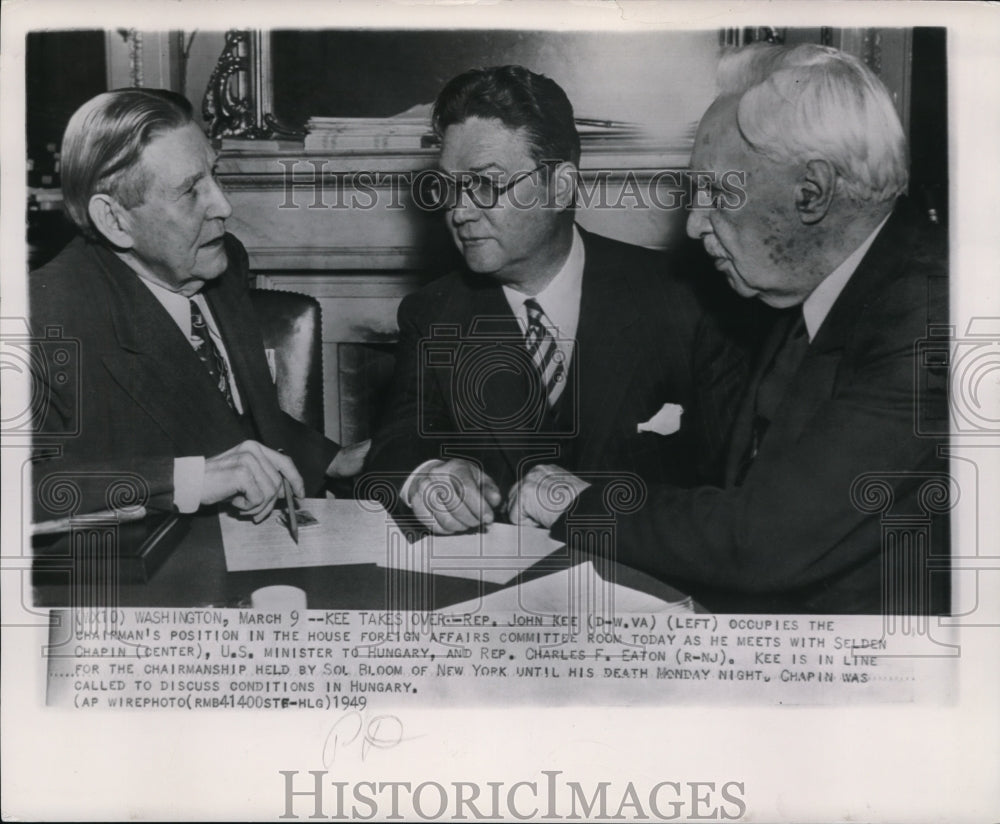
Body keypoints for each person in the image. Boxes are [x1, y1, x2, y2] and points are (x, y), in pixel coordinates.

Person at [506, 44, 950, 614]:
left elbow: (763, 539)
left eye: (716, 193)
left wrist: (580, 503)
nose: (693, 226)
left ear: (809, 192)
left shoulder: (931, 319)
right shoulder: (802, 289)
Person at [363, 65, 749, 535]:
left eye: (486, 183)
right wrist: (425, 477)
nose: (460, 212)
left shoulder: (685, 301)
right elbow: (393, 448)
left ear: (561, 186)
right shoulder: (432, 314)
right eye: (448, 188)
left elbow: (738, 490)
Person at [30, 89, 368, 522]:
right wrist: (189, 480)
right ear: (114, 220)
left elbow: (223, 410)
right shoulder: (43, 316)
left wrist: (329, 459)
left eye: (214, 174)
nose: (223, 206)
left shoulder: (220, 260)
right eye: (191, 191)